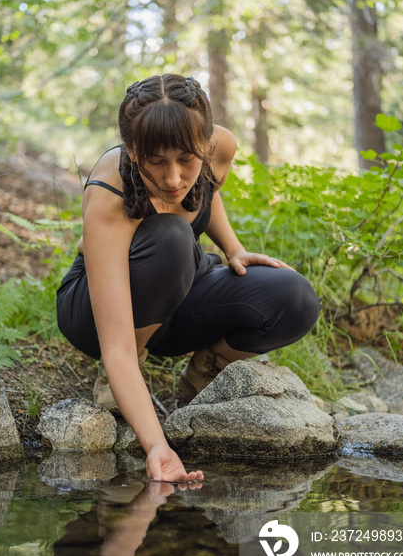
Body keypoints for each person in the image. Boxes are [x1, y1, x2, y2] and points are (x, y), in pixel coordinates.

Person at [56, 73, 320, 484]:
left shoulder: (220, 146)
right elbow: (117, 348)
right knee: (172, 239)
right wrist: (157, 446)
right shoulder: (110, 192)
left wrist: (232, 248)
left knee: (294, 297)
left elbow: (206, 193)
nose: (174, 178)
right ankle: (125, 387)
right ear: (131, 149)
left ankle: (203, 374)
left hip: (179, 291)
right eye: (156, 161)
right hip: (99, 313)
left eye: (187, 160)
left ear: (205, 145)